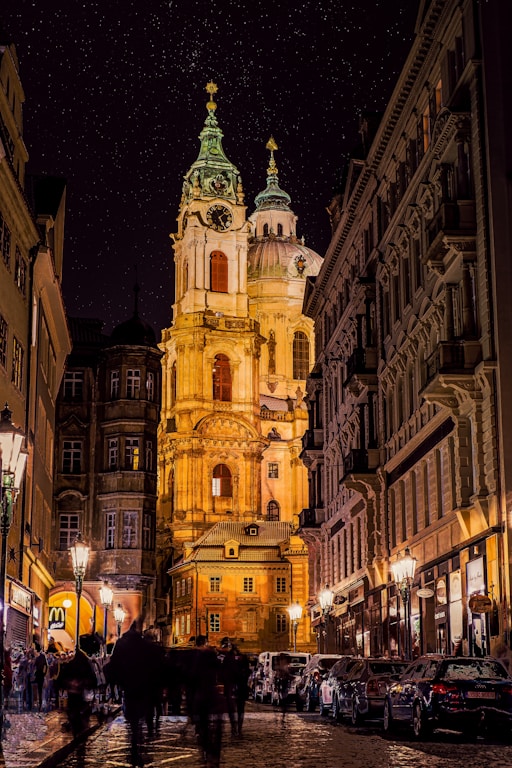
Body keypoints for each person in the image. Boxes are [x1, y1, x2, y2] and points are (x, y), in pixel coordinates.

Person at [105, 619, 156, 767]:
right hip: (142, 686)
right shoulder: (144, 645)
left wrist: (114, 685)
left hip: (128, 686)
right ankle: (137, 738)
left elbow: (113, 664)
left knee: (133, 717)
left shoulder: (121, 644)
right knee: (139, 715)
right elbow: (153, 666)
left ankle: (134, 743)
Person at [188, 635, 223, 768]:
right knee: (214, 728)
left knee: (203, 727)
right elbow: (219, 672)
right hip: (211, 696)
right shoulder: (210, 655)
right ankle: (213, 756)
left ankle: (206, 754)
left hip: (200, 696)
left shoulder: (194, 657)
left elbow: (190, 678)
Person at [58, 649, 97, 736]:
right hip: (80, 695)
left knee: (74, 714)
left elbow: (61, 680)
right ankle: (79, 733)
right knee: (79, 715)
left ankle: (77, 732)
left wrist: (70, 684)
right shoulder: (86, 665)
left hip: (74, 695)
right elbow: (93, 681)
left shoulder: (70, 666)